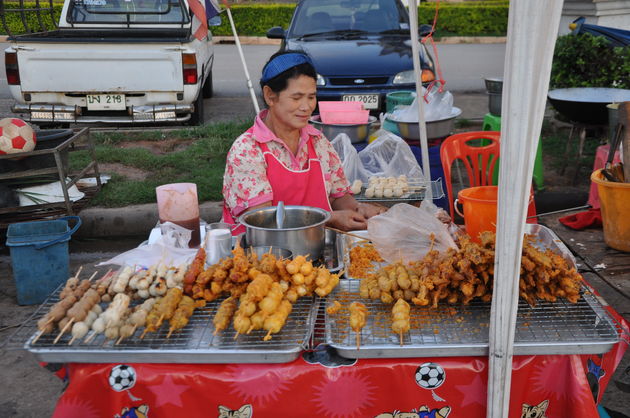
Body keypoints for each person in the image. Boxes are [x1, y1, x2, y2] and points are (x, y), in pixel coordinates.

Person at [222, 51, 386, 233]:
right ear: (270, 96)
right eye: (296, 97)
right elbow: (262, 220)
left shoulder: (318, 142)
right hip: (259, 255)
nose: (306, 106)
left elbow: (338, 197)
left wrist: (358, 210)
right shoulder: (247, 150)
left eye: (311, 97)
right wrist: (330, 218)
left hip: (315, 250)